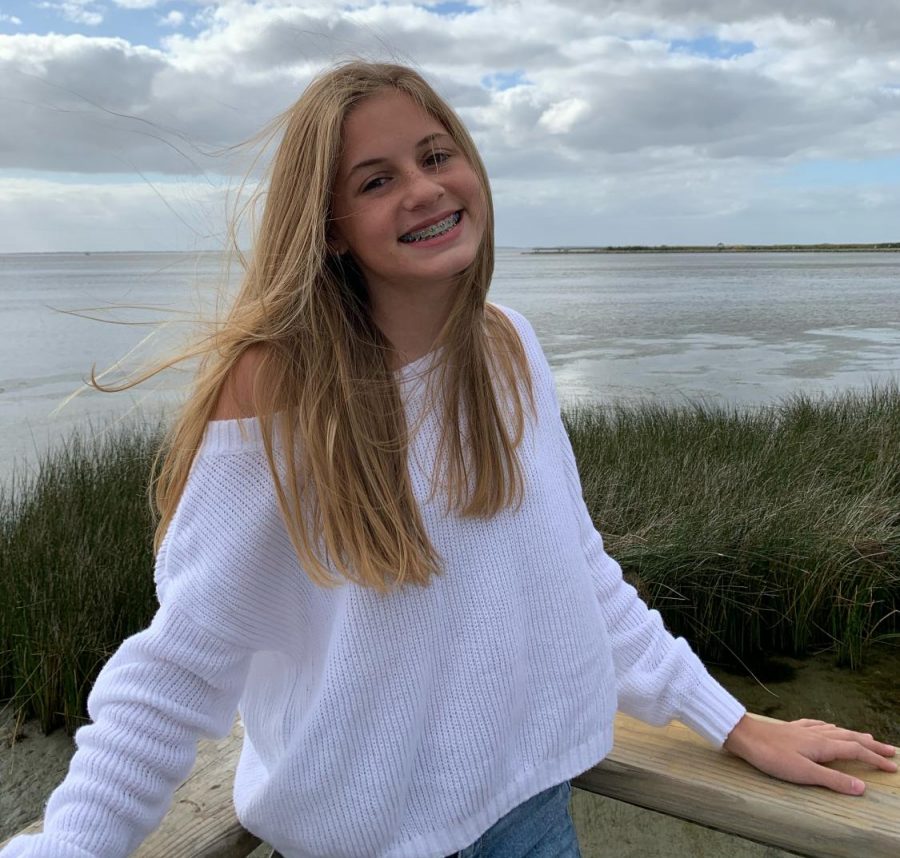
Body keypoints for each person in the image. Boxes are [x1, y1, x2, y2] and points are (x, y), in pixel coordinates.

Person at [2, 61, 895, 858]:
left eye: (436, 156)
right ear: (331, 228)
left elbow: (578, 571)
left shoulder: (506, 347)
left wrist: (731, 720)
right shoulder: (275, 388)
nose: (424, 190)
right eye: (377, 179)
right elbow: (181, 666)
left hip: (534, 816)